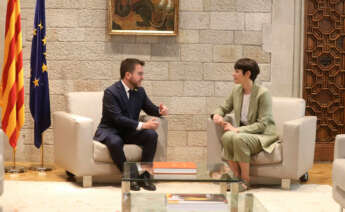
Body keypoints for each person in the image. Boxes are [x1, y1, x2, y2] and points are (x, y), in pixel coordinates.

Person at [94, 58, 168, 191]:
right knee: (115, 141)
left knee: (151, 135)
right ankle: (130, 176)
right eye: (139, 74)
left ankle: (145, 175)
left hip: (129, 131)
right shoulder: (111, 92)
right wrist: (142, 125)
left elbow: (150, 108)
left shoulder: (140, 91)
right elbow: (117, 118)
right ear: (128, 75)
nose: (142, 77)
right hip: (111, 130)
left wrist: (160, 111)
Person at [211, 58, 279, 191]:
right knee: (226, 137)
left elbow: (263, 124)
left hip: (262, 135)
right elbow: (224, 107)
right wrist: (217, 115)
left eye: (237, 71)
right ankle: (237, 177)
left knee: (237, 137)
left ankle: (246, 181)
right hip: (243, 133)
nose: (233, 74)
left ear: (247, 74)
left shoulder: (263, 94)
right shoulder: (236, 90)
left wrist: (237, 129)